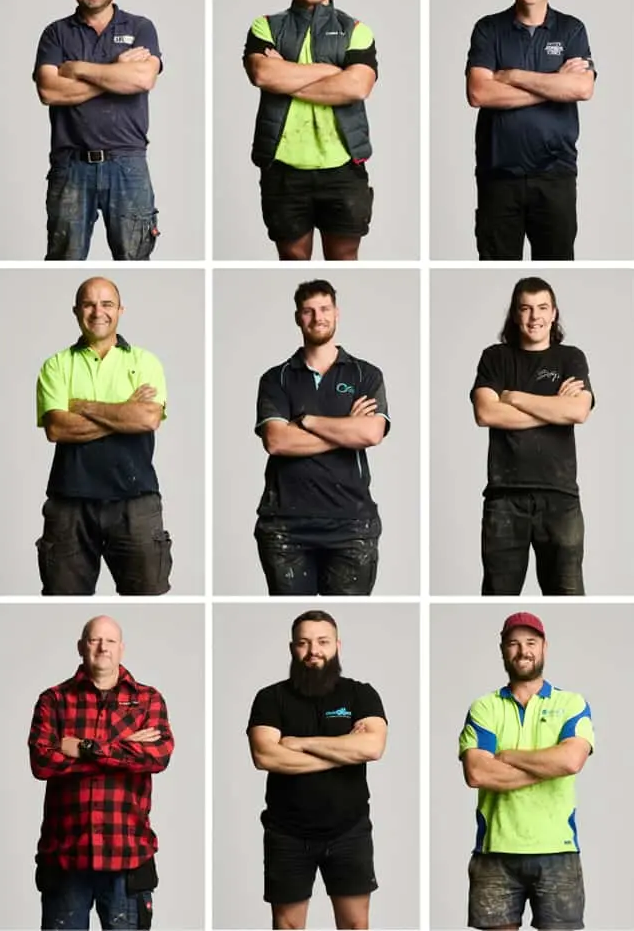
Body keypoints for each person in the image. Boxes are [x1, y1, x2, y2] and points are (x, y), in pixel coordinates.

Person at [28, 615, 173, 930]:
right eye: (95, 640)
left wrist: (85, 748)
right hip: (65, 855)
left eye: (110, 641)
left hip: (128, 855)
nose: (102, 647)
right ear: (81, 647)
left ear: (121, 648)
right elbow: (42, 762)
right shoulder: (54, 700)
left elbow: (158, 757)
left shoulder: (148, 700)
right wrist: (123, 749)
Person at [248, 610, 388, 931]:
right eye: (304, 643)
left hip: (349, 831)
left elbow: (372, 747)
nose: (314, 651)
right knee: (288, 926)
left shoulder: (360, 694)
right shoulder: (270, 698)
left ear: (337, 645)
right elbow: (265, 755)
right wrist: (343, 753)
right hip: (287, 833)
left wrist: (299, 743)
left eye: (323, 642)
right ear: (292, 648)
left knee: (355, 925)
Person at [34, 277, 171, 596]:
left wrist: (83, 406)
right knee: (63, 602)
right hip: (70, 503)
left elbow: (148, 418)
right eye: (89, 304)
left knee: (147, 601)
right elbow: (57, 428)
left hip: (135, 502)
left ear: (121, 310)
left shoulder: (144, 361)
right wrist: (125, 412)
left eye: (107, 304)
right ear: (76, 311)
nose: (98, 312)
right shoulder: (57, 365)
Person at [457, 611, 594, 931]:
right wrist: (550, 766)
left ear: (545, 647)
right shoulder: (485, 707)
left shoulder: (571, 703)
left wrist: (508, 756)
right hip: (495, 851)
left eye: (531, 642)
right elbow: (477, 773)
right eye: (514, 644)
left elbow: (571, 761)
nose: (523, 651)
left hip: (558, 850)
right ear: (502, 650)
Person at [253, 279, 389, 597]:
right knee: (291, 614)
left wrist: (307, 421)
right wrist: (347, 428)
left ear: (337, 313)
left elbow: (371, 433)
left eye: (325, 309)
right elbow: (277, 442)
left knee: (347, 615)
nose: (318, 318)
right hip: (284, 526)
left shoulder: (366, 375)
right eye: (309, 311)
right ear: (297, 317)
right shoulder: (276, 378)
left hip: (352, 524)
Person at [244, 0, 378, 262]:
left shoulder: (356, 30)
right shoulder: (265, 26)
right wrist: (331, 72)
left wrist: (286, 77)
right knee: (292, 259)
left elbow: (357, 86)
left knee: (345, 258)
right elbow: (262, 74)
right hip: (283, 167)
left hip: (343, 166)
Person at [32, 0, 162, 261]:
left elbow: (143, 79)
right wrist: (117, 74)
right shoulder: (56, 33)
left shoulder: (140, 27)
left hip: (127, 163)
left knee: (135, 260)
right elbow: (49, 91)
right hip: (71, 166)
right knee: (64, 262)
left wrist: (79, 69)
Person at [466, 0, 594, 261]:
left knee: (557, 266)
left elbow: (582, 88)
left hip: (556, 175)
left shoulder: (571, 29)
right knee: (495, 267)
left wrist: (512, 75)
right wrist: (554, 83)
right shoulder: (488, 29)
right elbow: (479, 93)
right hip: (498, 176)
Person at [472, 276, 593, 595]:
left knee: (567, 598)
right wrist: (554, 407)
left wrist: (515, 397)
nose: (534, 316)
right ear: (515, 314)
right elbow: (486, 414)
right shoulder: (495, 357)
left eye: (542, 307)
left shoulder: (570, 358)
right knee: (497, 596)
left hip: (560, 498)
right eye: (525, 308)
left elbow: (578, 411)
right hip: (504, 498)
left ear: (554, 313)